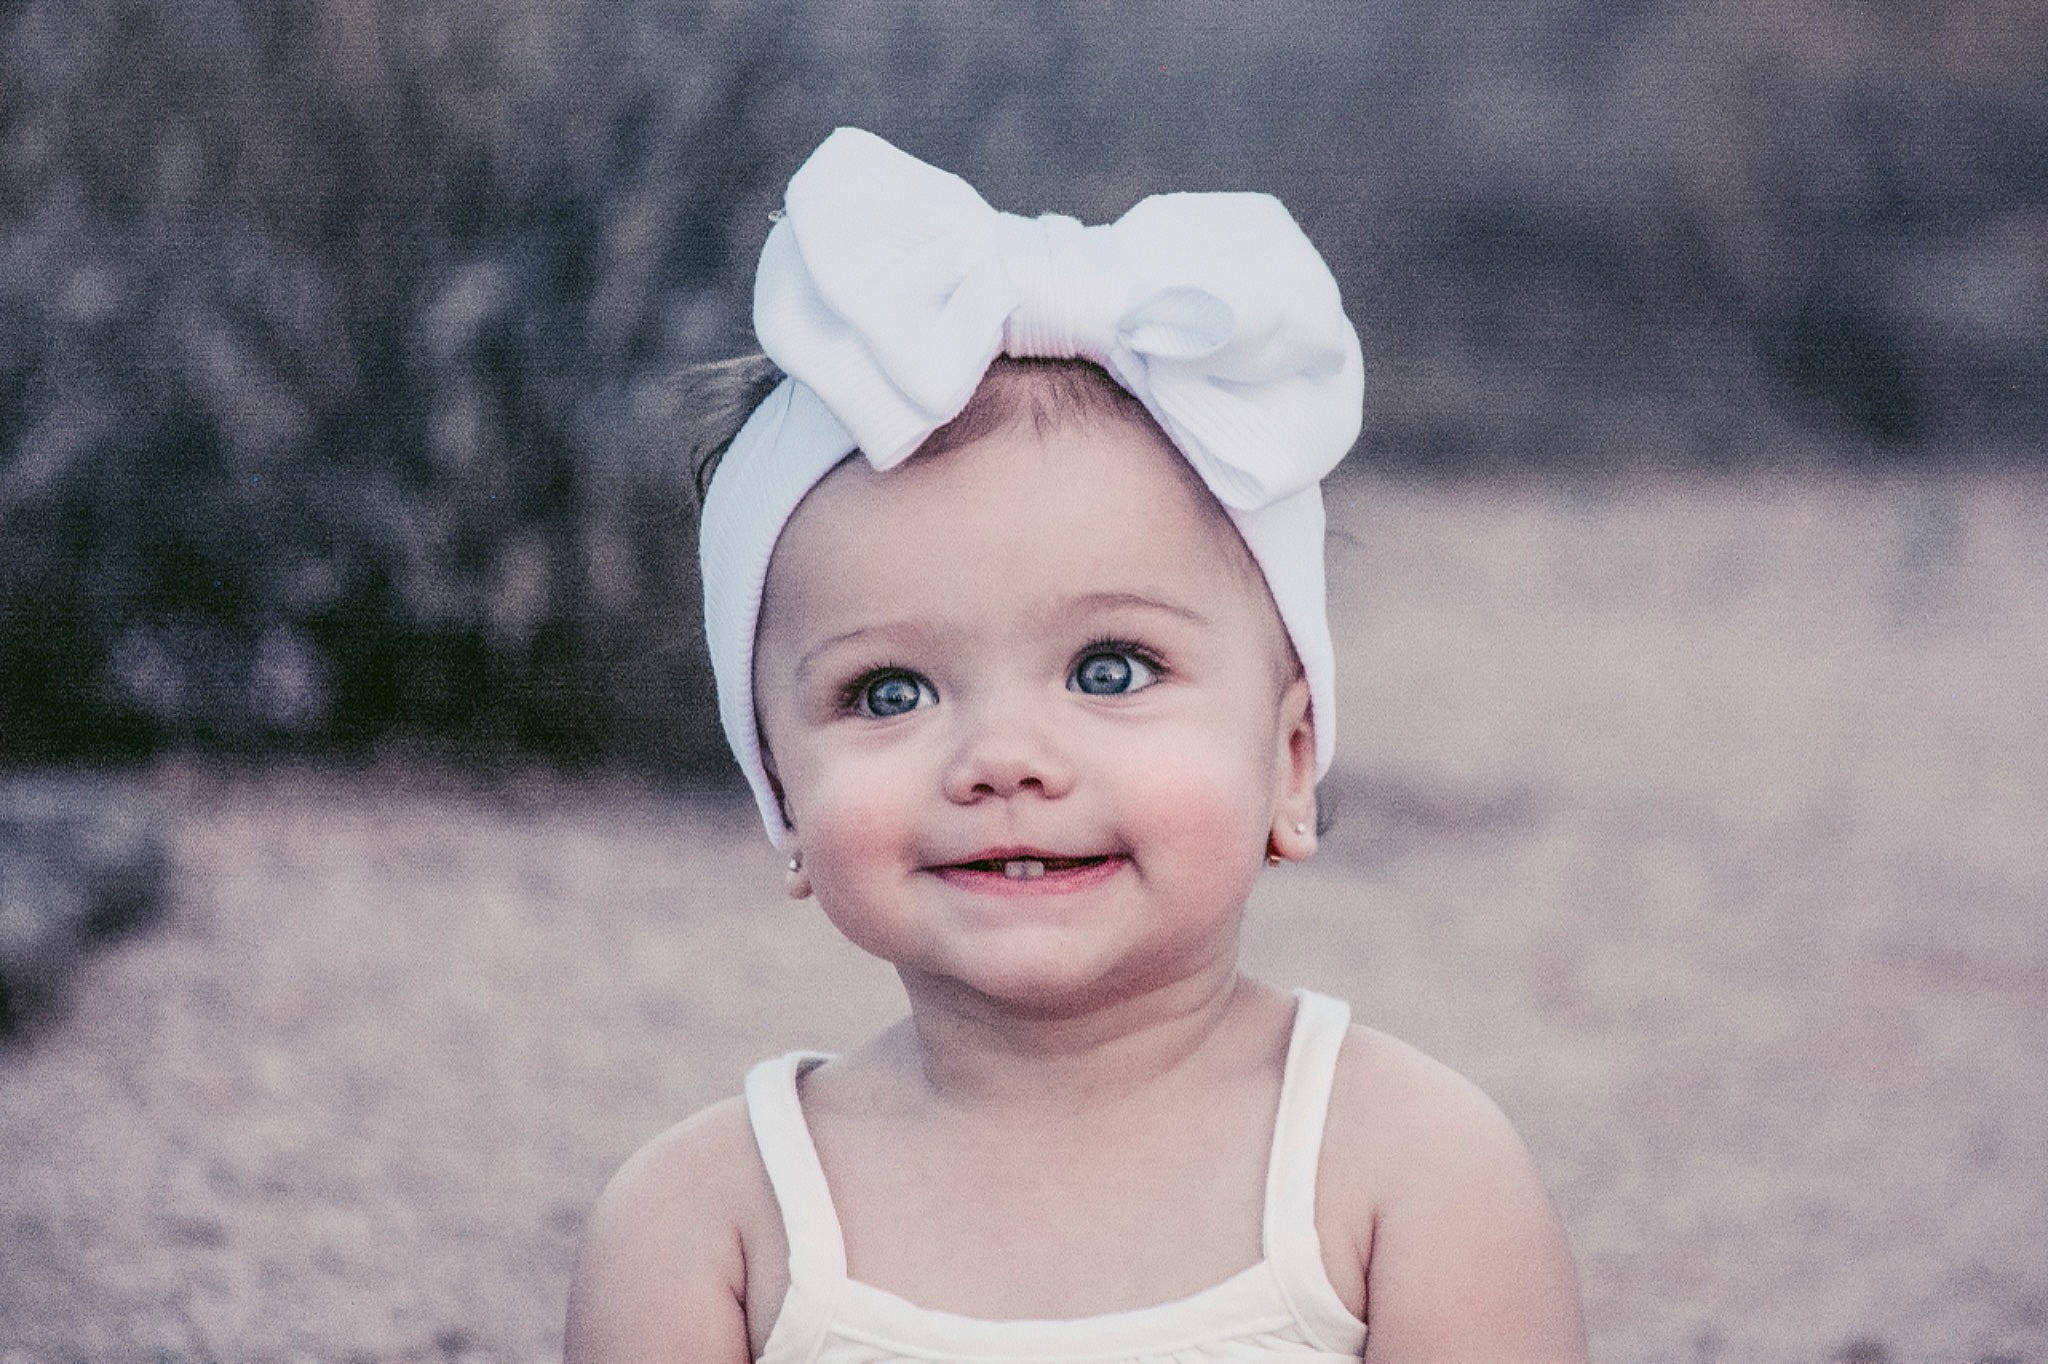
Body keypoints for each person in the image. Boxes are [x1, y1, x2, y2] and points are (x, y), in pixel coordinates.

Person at [565, 127, 1586, 1363]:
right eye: (888, 692)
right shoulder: (708, 1228)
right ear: (778, 790)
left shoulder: (1407, 1173)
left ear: (1291, 758)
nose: (1003, 756)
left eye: (1111, 669)